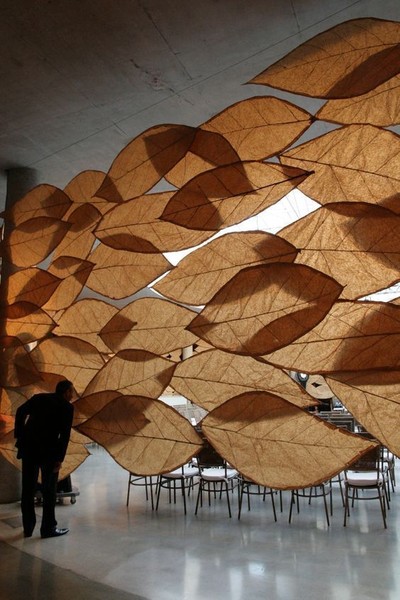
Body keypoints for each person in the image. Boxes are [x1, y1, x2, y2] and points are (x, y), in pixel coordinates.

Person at [14, 380, 74, 539]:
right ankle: (47, 528)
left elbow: (20, 411)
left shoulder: (39, 398)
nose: (73, 395)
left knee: (28, 489)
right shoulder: (67, 408)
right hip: (49, 453)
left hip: (29, 449)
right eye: (72, 392)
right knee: (49, 491)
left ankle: (28, 528)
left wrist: (20, 435)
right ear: (66, 392)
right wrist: (60, 459)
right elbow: (65, 436)